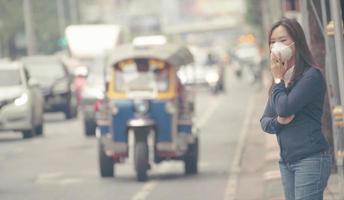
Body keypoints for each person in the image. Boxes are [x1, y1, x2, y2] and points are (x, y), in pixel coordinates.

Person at [260, 17, 331, 200]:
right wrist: (279, 122)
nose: (276, 46)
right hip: (287, 162)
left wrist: (277, 80)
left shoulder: (311, 76)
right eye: (272, 42)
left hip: (310, 159)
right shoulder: (283, 81)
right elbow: (265, 120)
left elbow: (284, 108)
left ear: (296, 42)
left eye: (282, 41)